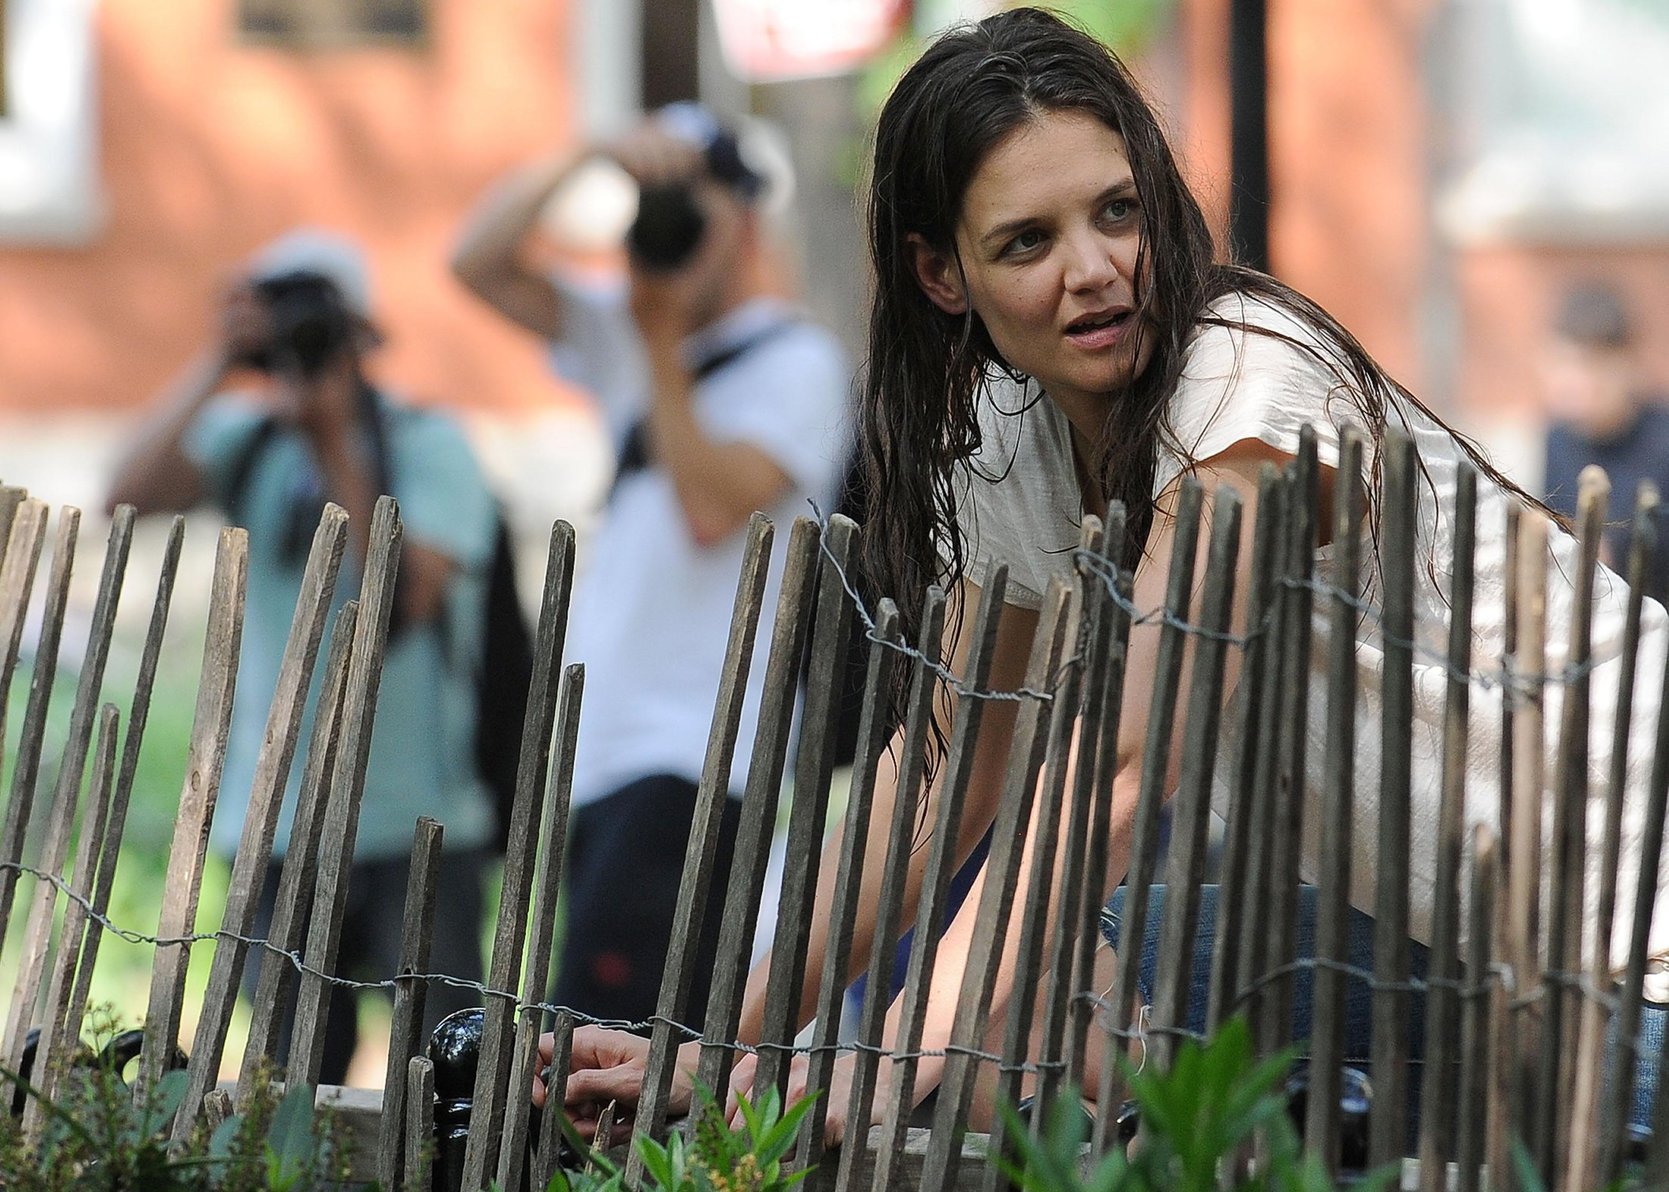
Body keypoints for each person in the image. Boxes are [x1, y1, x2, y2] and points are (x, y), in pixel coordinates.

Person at [535, 8, 1669, 1144]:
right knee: (1081, 974)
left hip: (1637, 958)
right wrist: (729, 1038)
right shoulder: (1009, 432)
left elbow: (1123, 761)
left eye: (1115, 211)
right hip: (1475, 952)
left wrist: (890, 1056)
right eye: (1027, 241)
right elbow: (944, 766)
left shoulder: (1249, 387)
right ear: (941, 273)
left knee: (1044, 1003)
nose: (1095, 270)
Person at [452, 104, 850, 1028]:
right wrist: (589, 151)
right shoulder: (635, 336)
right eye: (650, 209)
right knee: (595, 1040)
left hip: (700, 760)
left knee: (605, 1045)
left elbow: (713, 507)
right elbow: (473, 263)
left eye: (689, 210)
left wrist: (660, 343)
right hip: (606, 760)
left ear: (746, 223)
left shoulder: (799, 364)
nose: (666, 233)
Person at [107, 230, 496, 1084]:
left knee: (445, 1080)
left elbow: (403, 599)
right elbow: (123, 498)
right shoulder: (250, 439)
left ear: (363, 331)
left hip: (416, 821)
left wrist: (333, 441)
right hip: (278, 823)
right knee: (286, 1077)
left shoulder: (428, 444)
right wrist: (219, 361)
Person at [1543, 281, 1669, 602]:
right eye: (1565, 364)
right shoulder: (1558, 440)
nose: (1576, 383)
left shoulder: (1661, 442)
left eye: (1590, 365)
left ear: (1626, 365)